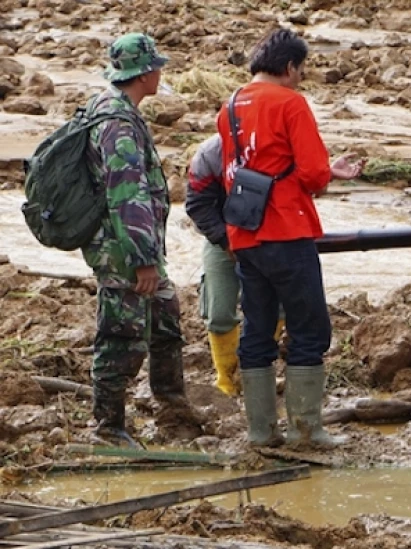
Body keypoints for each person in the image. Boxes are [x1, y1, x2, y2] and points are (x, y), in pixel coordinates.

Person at [216, 28, 364, 448]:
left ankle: (261, 431)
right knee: (309, 329)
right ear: (288, 67)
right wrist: (325, 173)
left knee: (257, 329)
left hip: (246, 233)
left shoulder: (229, 107)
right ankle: (307, 429)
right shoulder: (291, 103)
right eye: (300, 70)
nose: (301, 78)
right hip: (287, 228)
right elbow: (314, 174)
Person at [82, 33, 194, 447]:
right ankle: (108, 428)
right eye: (157, 67)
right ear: (145, 73)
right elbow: (125, 192)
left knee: (165, 318)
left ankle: (173, 410)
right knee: (121, 334)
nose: (160, 73)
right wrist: (143, 258)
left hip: (133, 245)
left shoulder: (117, 110)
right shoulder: (116, 122)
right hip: (123, 250)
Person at [185, 135, 285, 397]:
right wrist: (224, 239)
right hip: (222, 238)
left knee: (277, 307)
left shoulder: (277, 144)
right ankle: (226, 380)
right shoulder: (210, 153)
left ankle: (256, 372)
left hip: (270, 237)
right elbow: (197, 204)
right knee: (218, 310)